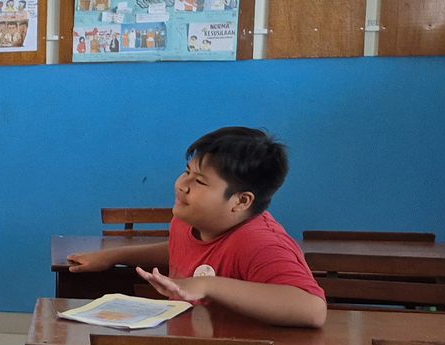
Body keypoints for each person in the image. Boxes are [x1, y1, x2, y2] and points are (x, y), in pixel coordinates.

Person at [66, 126, 326, 328]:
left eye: (199, 181)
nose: (182, 184)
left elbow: (312, 310)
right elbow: (181, 249)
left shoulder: (260, 242)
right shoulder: (187, 221)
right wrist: (112, 256)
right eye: (187, 171)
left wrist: (207, 285)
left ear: (241, 201)